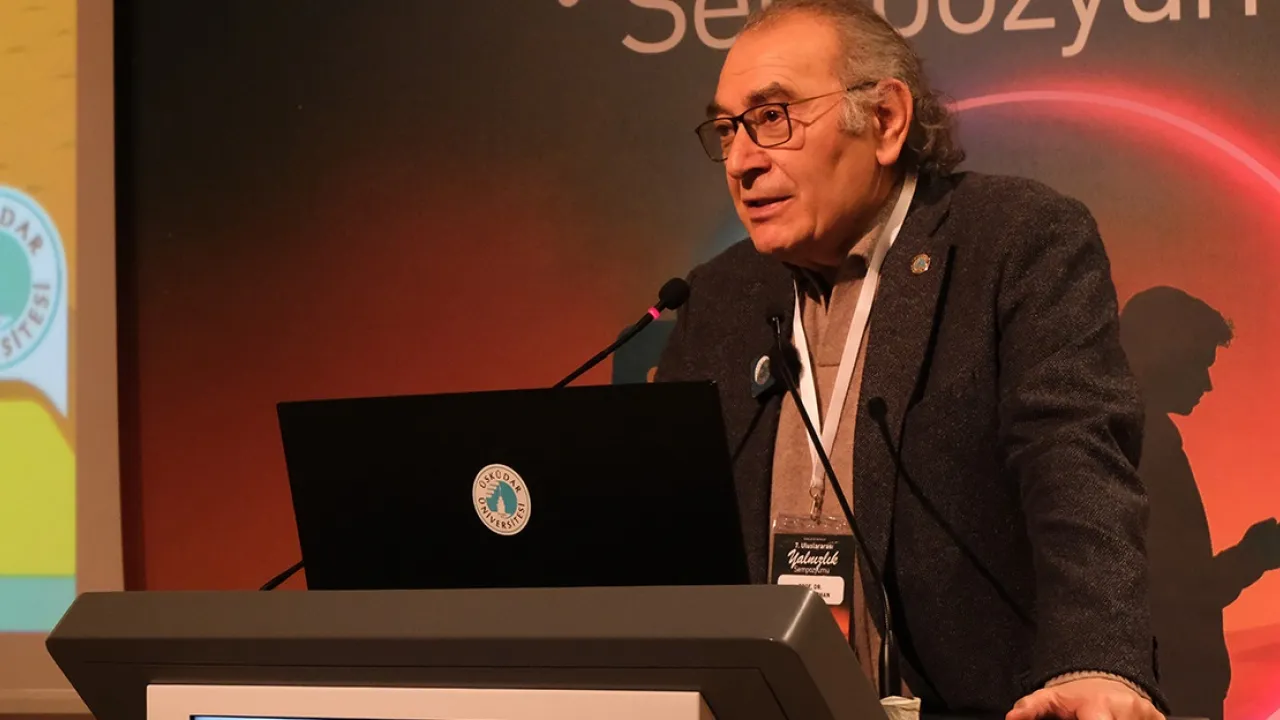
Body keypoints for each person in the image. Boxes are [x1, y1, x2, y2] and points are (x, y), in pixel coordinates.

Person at [654, 1, 1166, 717]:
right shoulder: (718, 294)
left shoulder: (1013, 241)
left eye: (773, 117)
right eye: (727, 129)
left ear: (886, 120)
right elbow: (672, 529)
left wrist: (1097, 661)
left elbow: (1075, 462)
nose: (741, 160)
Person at [1119, 286, 1280, 720]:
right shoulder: (1146, 446)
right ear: (1166, 355)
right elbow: (1178, 594)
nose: (1207, 384)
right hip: (1168, 696)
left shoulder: (1134, 438)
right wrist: (1255, 556)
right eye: (1200, 364)